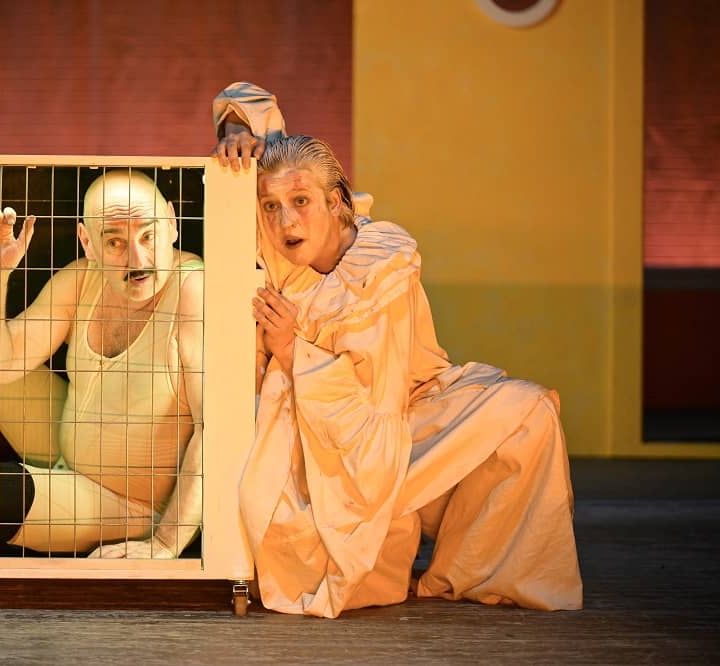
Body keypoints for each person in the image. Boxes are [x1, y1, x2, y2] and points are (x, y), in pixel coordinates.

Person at [212, 82, 583, 617]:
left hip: (395, 415)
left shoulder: (383, 264)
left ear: (336, 202)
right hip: (309, 424)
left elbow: (375, 403)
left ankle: (471, 571)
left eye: (301, 202)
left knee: (529, 412)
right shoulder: (278, 249)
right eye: (270, 206)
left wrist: (295, 350)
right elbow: (246, 98)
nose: (285, 221)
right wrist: (236, 133)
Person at [0, 169, 204, 559]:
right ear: (88, 242)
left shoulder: (194, 290)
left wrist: (165, 543)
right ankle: (40, 486)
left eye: (148, 235)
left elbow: (216, 430)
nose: (138, 260)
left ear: (171, 223)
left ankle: (46, 502)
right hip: (63, 452)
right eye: (115, 242)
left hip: (130, 503)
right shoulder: (84, 277)